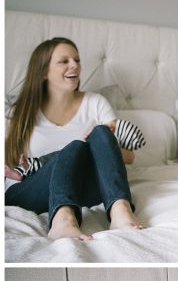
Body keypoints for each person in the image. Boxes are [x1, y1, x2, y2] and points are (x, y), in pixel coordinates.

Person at [5, 36, 138, 242]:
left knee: (101, 133)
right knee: (75, 147)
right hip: (32, 188)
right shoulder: (19, 112)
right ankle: (63, 218)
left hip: (85, 183)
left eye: (77, 60)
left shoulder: (95, 102)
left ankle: (120, 210)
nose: (74, 65)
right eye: (64, 61)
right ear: (43, 71)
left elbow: (128, 158)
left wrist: (94, 144)